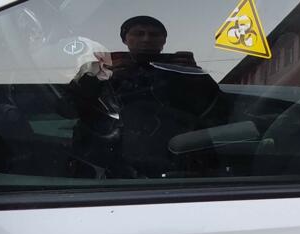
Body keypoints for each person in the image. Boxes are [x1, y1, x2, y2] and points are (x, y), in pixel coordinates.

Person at [68, 16, 224, 179]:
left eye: (154, 34)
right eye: (138, 33)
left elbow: (218, 109)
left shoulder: (181, 70)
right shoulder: (103, 68)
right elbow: (70, 109)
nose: (146, 39)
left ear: (164, 40)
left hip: (177, 157)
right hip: (110, 158)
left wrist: (194, 73)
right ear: (124, 39)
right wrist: (101, 76)